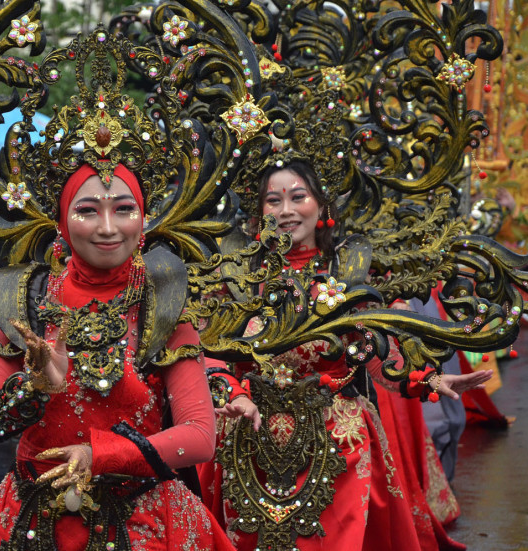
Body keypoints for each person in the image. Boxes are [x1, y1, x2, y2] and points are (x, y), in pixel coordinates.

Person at [199, 162, 493, 550]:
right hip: (250, 440)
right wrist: (233, 393)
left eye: (297, 197)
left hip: (337, 440)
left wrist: (429, 380)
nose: (285, 210)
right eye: (274, 200)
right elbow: (207, 351)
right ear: (259, 214)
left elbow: (374, 356)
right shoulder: (237, 277)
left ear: (322, 207)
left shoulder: (345, 276)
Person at [0, 164, 235, 551]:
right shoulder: (25, 303)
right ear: (61, 221)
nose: (108, 228)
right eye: (88, 210)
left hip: (144, 526)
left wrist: (102, 455)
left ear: (143, 220)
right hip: (36, 528)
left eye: (124, 210)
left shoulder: (163, 305)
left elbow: (199, 437)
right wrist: (34, 389)